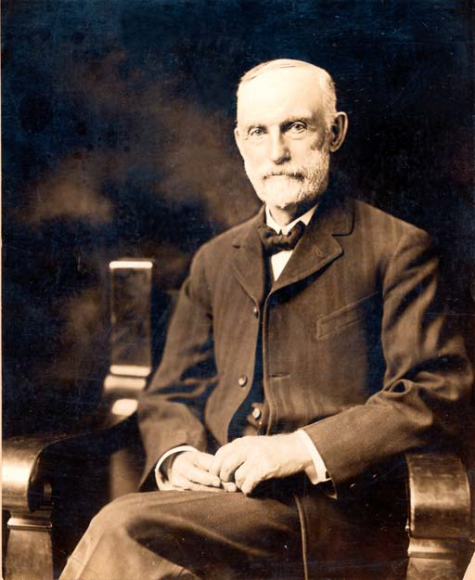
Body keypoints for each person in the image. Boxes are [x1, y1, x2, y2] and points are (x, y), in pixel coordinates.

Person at [60, 59, 472, 580]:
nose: (276, 152)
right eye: (258, 132)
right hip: (218, 503)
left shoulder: (399, 249)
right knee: (137, 536)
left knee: (124, 527)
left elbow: (435, 391)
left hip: (329, 516)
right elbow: (171, 392)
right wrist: (178, 454)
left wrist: (299, 448)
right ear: (240, 142)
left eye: (295, 127)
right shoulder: (214, 259)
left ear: (335, 132)